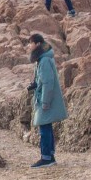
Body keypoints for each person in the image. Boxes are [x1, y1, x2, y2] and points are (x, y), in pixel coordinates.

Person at [29, 34, 65, 167]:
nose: (29, 46)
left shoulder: (43, 60)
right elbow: (43, 80)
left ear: (37, 44)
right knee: (46, 127)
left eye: (31, 43)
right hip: (45, 97)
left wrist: (45, 102)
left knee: (44, 128)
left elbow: (48, 83)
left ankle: (46, 158)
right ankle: (50, 155)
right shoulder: (43, 58)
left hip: (45, 99)